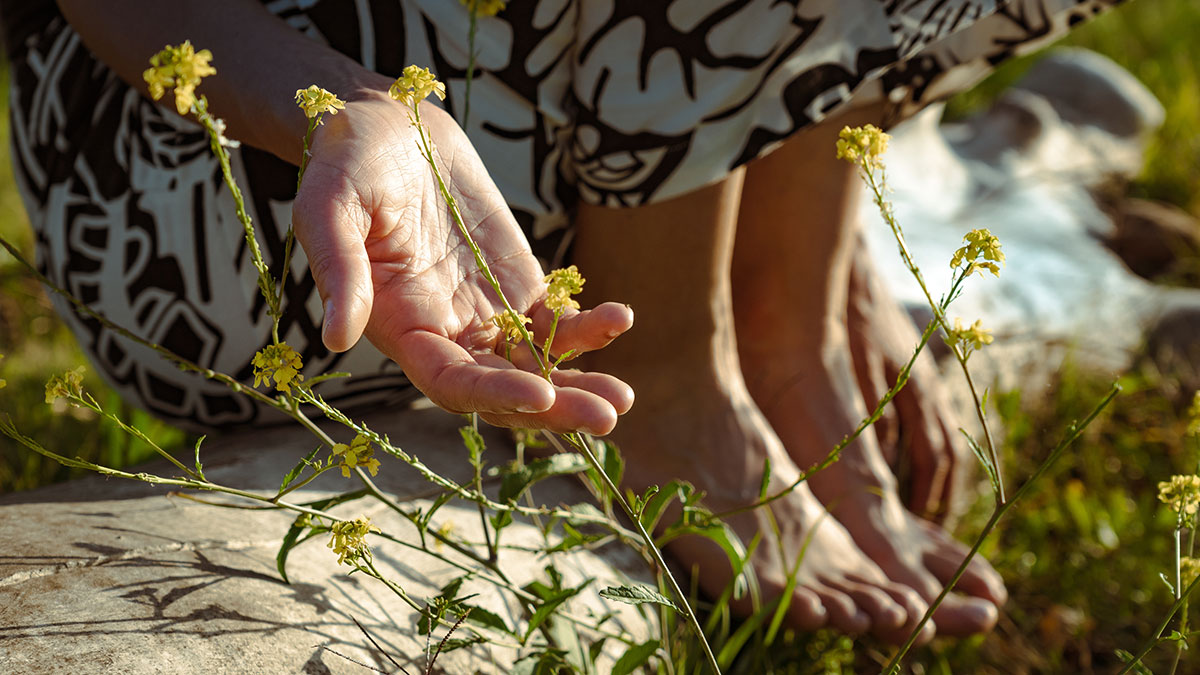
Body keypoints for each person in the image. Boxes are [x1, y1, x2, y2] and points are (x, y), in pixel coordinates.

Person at [1, 0, 1120, 643]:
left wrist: (803, 288)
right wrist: (358, 111)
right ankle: (676, 375)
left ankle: (774, 314)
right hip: (225, 168)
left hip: (525, 157)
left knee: (823, 298)